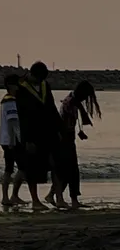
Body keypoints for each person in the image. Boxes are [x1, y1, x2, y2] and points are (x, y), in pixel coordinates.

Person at [15, 61, 63, 211]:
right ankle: (35, 200)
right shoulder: (22, 90)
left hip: (48, 133)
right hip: (31, 135)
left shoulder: (45, 86)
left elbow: (52, 108)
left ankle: (59, 198)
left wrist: (59, 129)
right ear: (32, 74)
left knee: (56, 165)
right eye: (38, 78)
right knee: (31, 168)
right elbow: (23, 117)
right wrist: (27, 139)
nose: (40, 81)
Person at [51, 80, 101, 209]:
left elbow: (69, 122)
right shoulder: (71, 103)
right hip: (64, 140)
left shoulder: (72, 101)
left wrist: (79, 131)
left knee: (68, 171)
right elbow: (65, 124)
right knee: (71, 171)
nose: (86, 99)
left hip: (67, 138)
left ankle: (58, 196)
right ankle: (69, 199)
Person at [0, 74, 27, 206]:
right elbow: (12, 122)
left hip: (7, 139)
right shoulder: (10, 101)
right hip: (12, 140)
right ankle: (11, 195)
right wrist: (14, 140)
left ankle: (9, 196)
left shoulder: (7, 100)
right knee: (22, 167)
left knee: (9, 168)